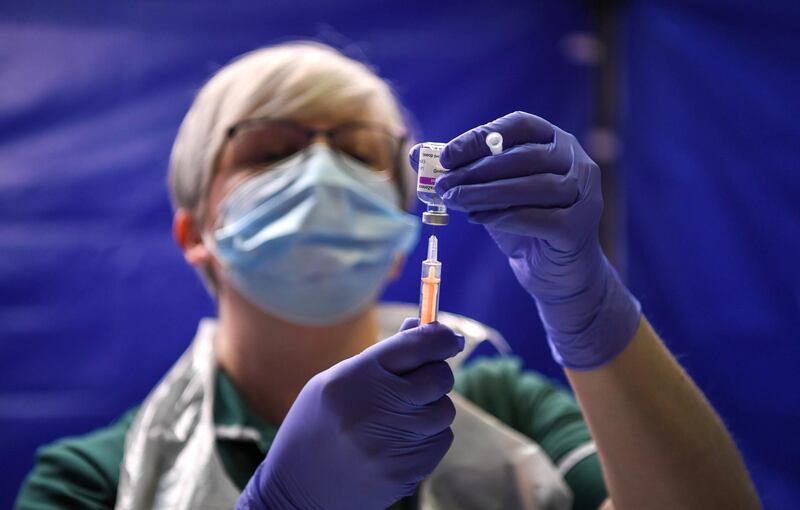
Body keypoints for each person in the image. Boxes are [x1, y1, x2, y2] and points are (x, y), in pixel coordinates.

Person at [14, 42, 760, 510]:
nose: (322, 172)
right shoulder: (99, 479)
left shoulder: (501, 406)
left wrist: (589, 305)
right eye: (271, 151)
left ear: (401, 237)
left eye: (359, 151)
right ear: (195, 233)